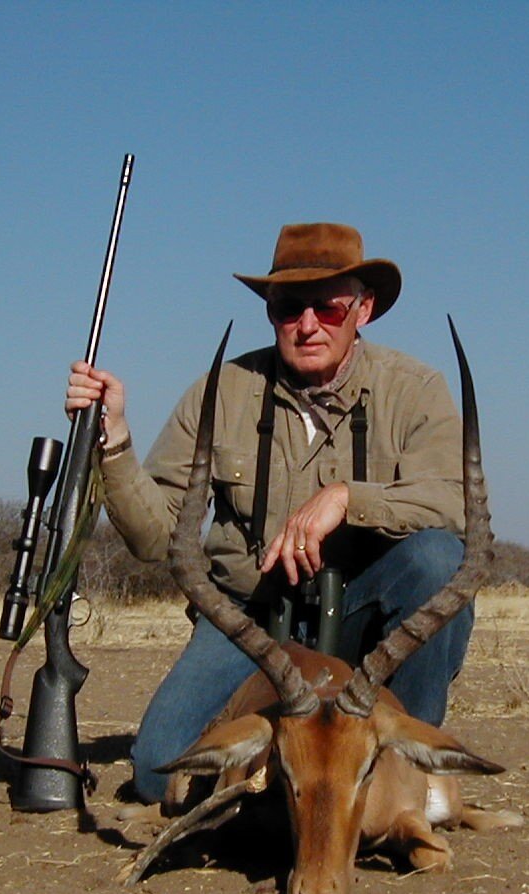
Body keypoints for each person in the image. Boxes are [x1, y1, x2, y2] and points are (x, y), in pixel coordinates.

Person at [65, 223, 474, 804]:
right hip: (249, 619)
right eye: (288, 308)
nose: (307, 326)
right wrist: (115, 443)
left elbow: (454, 502)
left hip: (362, 618)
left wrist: (347, 499)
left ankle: (406, 763)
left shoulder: (414, 389)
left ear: (364, 309)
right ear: (270, 312)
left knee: (438, 559)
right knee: (158, 773)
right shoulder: (221, 390)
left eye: (328, 309)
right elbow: (156, 539)